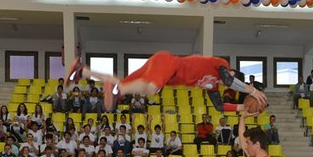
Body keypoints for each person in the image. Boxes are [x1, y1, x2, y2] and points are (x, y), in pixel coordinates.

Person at [67, 52, 267, 113]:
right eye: (230, 76)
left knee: (131, 83)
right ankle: (118, 91)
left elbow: (219, 106)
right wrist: (252, 91)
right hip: (169, 63)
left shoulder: (214, 85)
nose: (226, 83)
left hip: (162, 68)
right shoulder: (221, 64)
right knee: (152, 89)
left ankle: (81, 71)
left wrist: (243, 107)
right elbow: (230, 80)